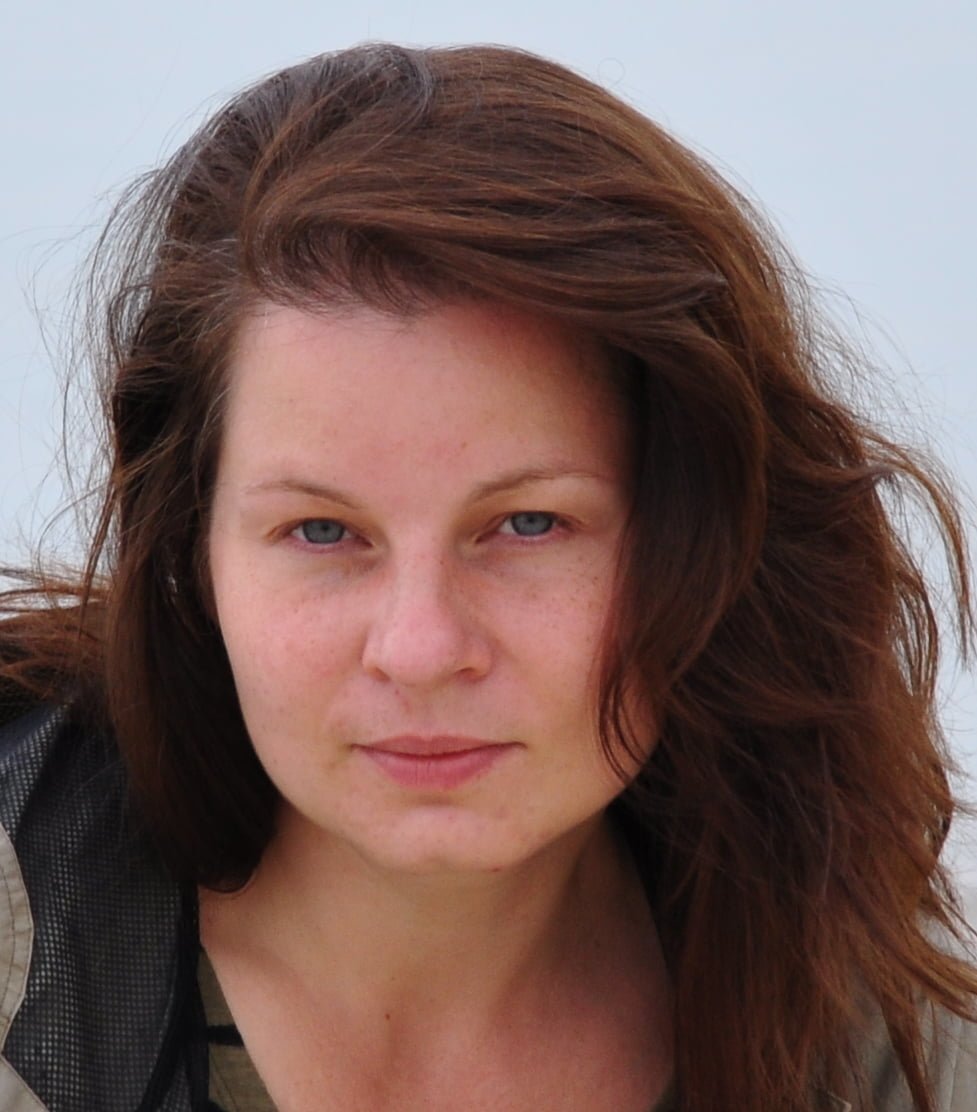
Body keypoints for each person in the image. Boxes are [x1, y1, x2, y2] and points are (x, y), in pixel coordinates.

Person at [0, 41, 974, 1112]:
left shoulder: (881, 1036)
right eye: (321, 531)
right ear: (192, 554)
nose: (420, 648)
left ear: (702, 542)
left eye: (527, 523)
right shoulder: (22, 932)